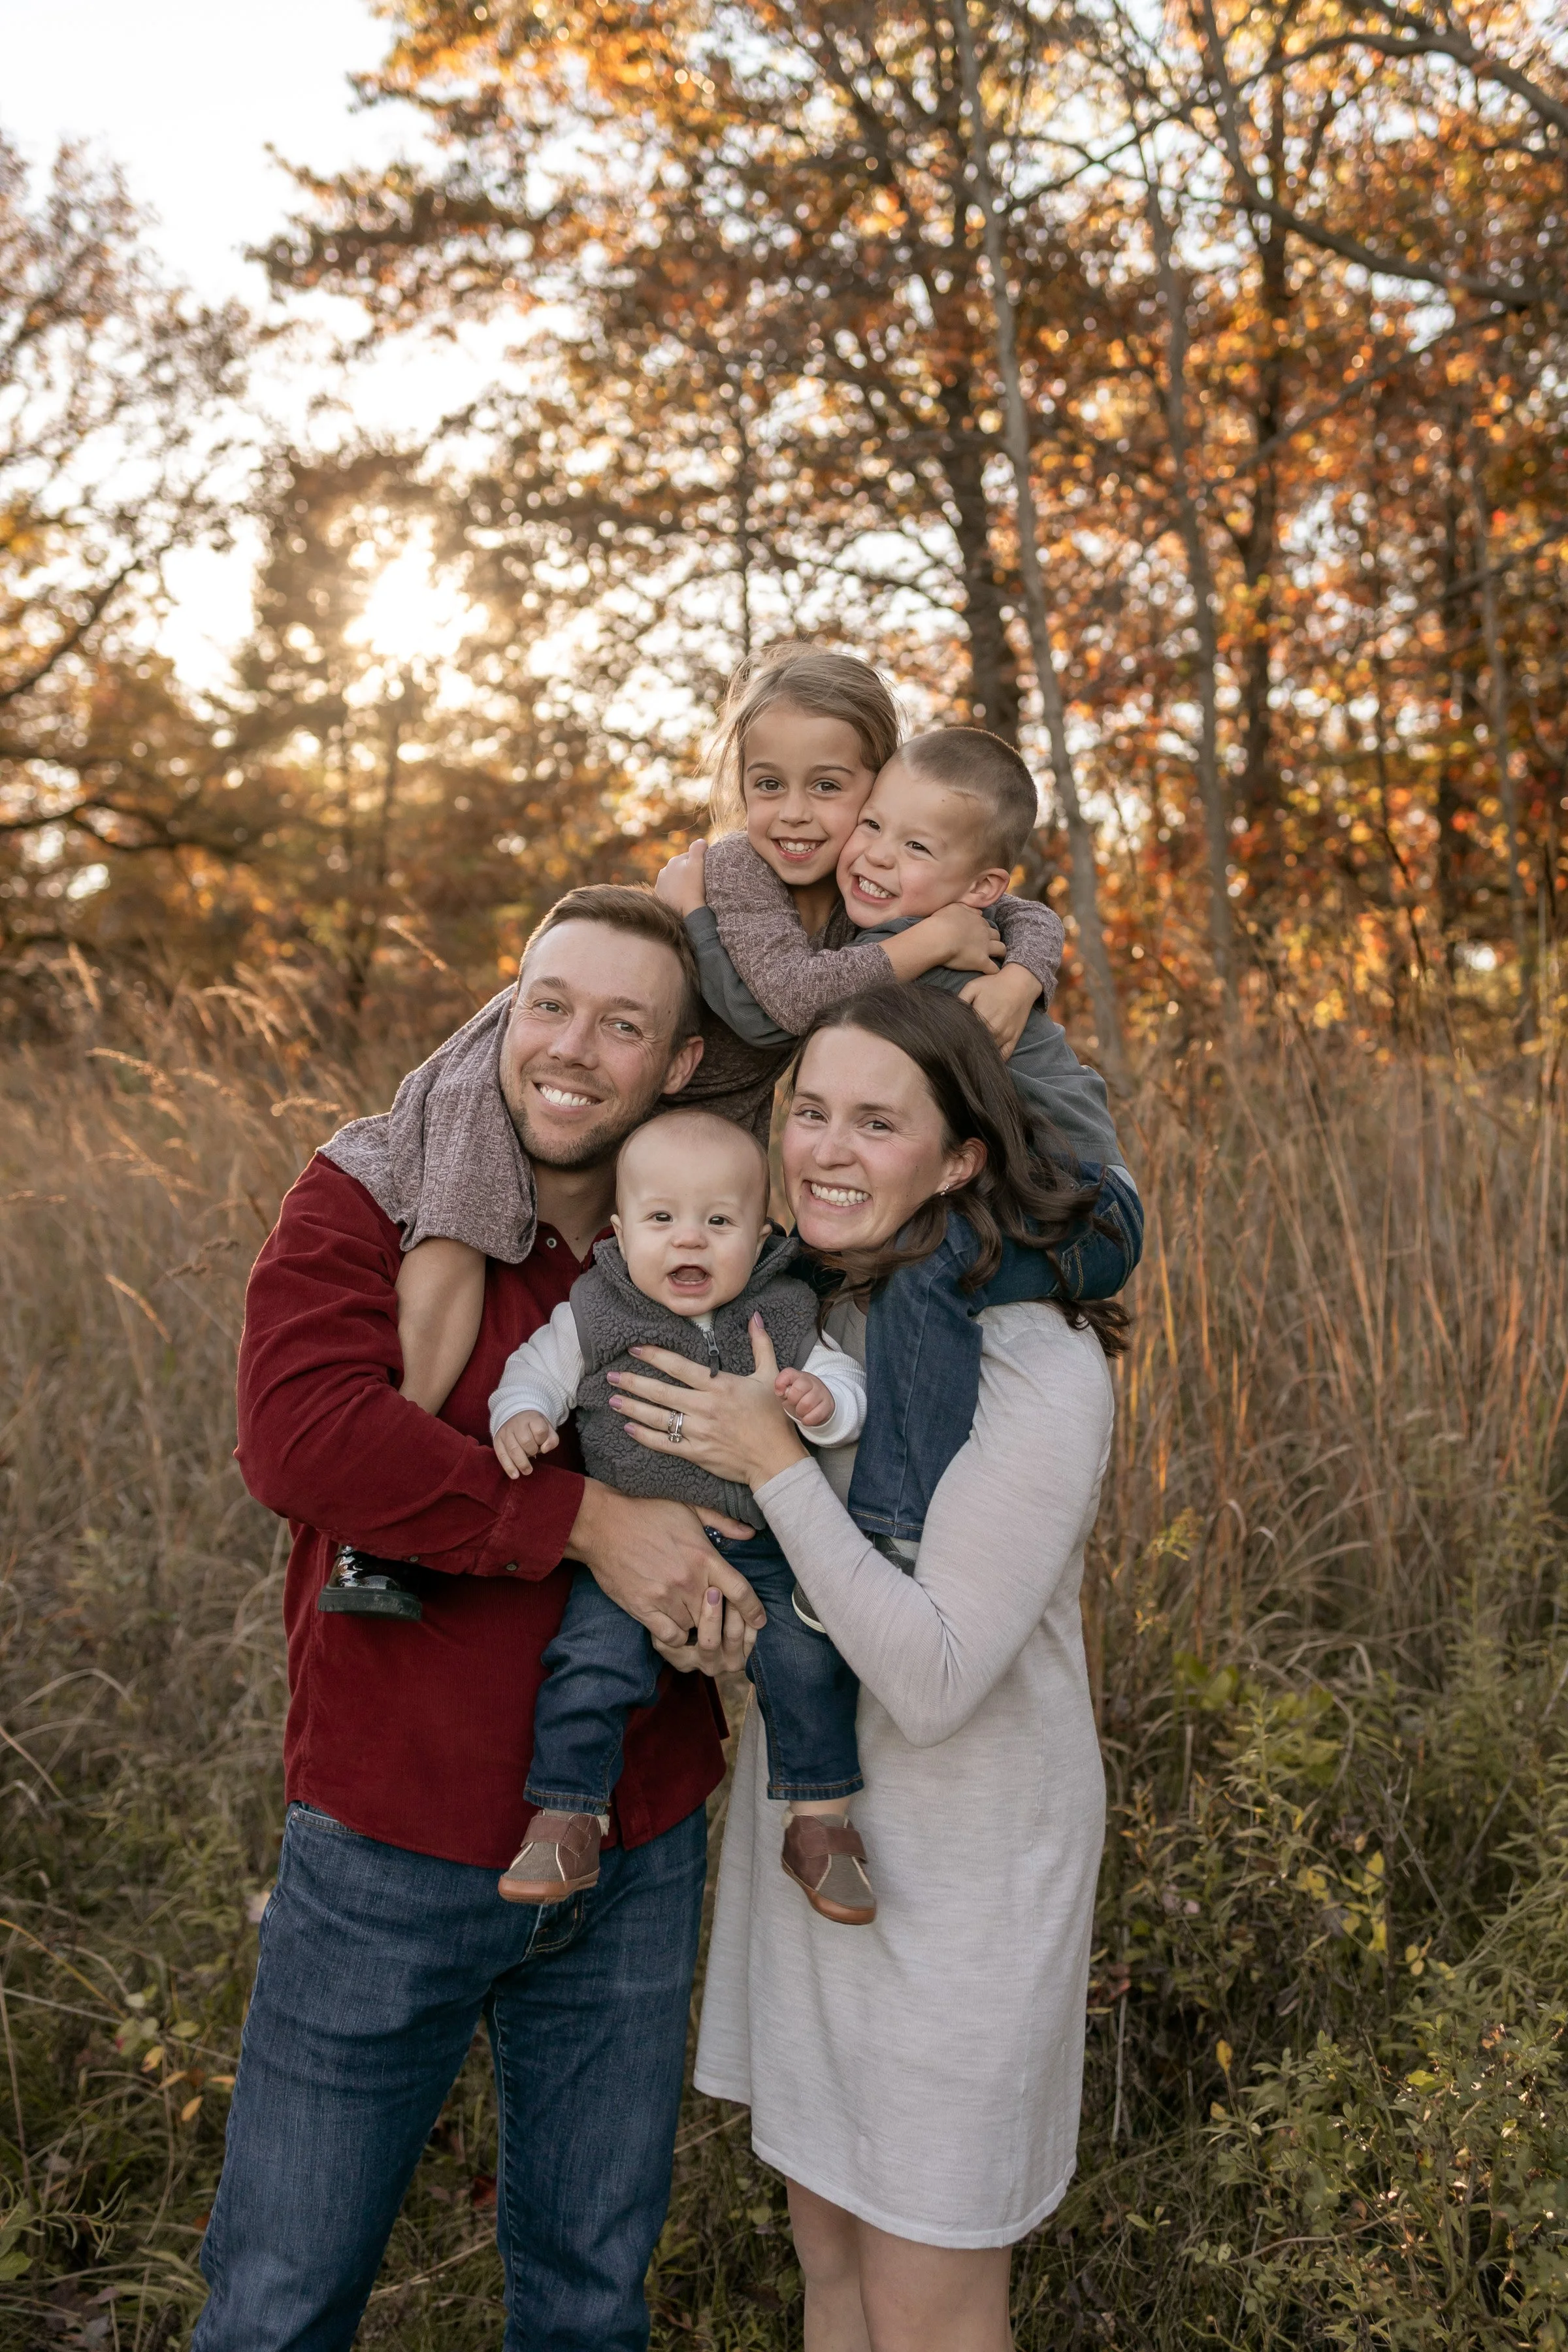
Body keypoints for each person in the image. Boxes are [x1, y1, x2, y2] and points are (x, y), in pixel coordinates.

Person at [194, 886, 766, 2352]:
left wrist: (721, 1599)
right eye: (550, 1004)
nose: (571, 1049)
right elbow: (303, 1441)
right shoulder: (374, 1193)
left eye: (623, 1025)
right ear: (506, 1008)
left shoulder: (710, 1234)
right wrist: (588, 1523)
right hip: (396, 1831)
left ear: (681, 1063)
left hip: (633, 1839)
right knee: (280, 2302)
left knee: (588, 2301)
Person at [608, 985, 1122, 2352]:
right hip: (817, 1855)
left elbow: (938, 1677)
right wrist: (708, 1626)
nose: (827, 1149)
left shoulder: (1033, 1363)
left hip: (961, 1874)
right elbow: (813, 1605)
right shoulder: (825, 1324)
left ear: (961, 1159)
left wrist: (772, 1469)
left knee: (929, 2303)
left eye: (878, 1122)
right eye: (811, 1112)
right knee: (827, 2256)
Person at [386, 642, 1068, 1421]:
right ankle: (392, 1454)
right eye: (768, 785)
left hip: (680, 1118)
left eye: (829, 788)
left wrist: (1025, 974)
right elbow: (783, 1001)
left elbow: (1021, 912)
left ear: (879, 790)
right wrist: (936, 941)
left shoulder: (868, 886)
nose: (797, 813)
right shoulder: (740, 868)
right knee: (462, 1238)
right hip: (543, 1057)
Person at [666, 719, 1140, 1553]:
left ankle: (894, 1524)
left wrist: (696, 917)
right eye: (874, 826)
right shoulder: (894, 935)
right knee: (802, 1269)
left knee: (926, 1270)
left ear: (978, 886)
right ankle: (741, 1487)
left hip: (1088, 1200)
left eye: (915, 846)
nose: (877, 856)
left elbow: (763, 1010)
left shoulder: (947, 953)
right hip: (994, 1186)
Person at [485, 1106, 874, 1921]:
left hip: (759, 1539)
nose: (689, 1240)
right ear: (622, 1232)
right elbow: (535, 1371)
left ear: (762, 1232)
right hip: (636, 1537)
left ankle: (821, 1822)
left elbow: (848, 1393)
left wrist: (820, 1401)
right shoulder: (596, 1311)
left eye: (718, 1221)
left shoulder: (788, 1309)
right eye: (663, 1219)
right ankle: (566, 1814)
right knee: (592, 1661)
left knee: (809, 1660)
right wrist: (521, 1414)